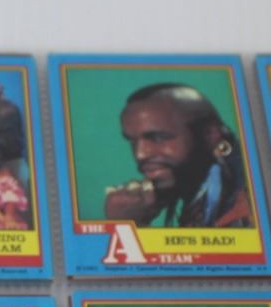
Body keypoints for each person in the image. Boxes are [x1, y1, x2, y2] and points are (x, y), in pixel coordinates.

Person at [103, 84, 254, 230]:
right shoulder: (204, 192)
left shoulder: (251, 201)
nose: (140, 154)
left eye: (158, 137)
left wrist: (127, 227)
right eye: (133, 141)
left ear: (210, 135)